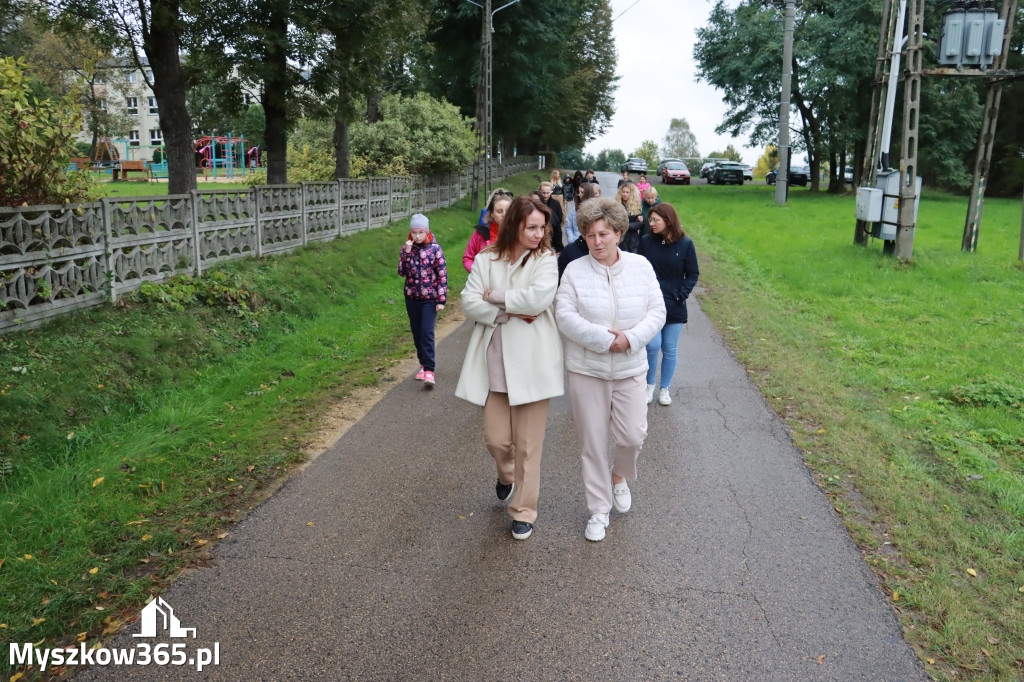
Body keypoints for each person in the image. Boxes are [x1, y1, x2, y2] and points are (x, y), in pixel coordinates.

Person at [555, 198, 666, 542]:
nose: (597, 242)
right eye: (590, 235)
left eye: (604, 234)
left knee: (633, 435)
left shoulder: (641, 266)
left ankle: (620, 475)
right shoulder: (574, 270)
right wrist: (605, 340)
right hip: (587, 370)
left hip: (631, 367)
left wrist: (630, 339)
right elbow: (564, 315)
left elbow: (657, 311)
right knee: (592, 443)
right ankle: (598, 510)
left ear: (619, 233)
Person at [456, 195, 564, 541]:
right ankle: (506, 476)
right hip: (495, 363)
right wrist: (502, 308)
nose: (537, 233)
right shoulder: (487, 258)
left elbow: (538, 299)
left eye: (541, 228)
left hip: (533, 364)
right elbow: (468, 301)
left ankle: (523, 511)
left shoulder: (546, 258)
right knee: (496, 439)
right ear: (514, 224)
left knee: (529, 445)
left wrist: (496, 296)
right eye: (530, 227)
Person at [639, 203, 699, 407]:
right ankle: (649, 386)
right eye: (650, 220)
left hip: (674, 305)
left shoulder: (685, 244)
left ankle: (664, 389)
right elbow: (637, 270)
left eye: (655, 220)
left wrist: (681, 295)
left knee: (670, 348)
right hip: (651, 305)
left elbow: (692, 274)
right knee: (652, 345)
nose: (651, 223)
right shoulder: (646, 242)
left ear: (668, 221)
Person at [398, 213, 448, 388]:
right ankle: (422, 363)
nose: (417, 236)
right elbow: (402, 272)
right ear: (410, 233)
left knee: (427, 332)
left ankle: (429, 370)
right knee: (417, 333)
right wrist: (407, 253)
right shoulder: (407, 249)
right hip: (412, 297)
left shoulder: (435, 249)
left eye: (421, 232)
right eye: (414, 233)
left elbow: (442, 275)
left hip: (429, 299)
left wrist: (441, 299)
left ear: (427, 232)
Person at [464, 188, 512, 272]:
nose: (504, 215)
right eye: (499, 211)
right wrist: (478, 273)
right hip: (483, 283)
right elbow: (467, 258)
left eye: (508, 211)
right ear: (492, 213)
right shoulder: (480, 233)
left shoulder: (519, 234)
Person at [559, 181, 600, 279]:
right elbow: (568, 226)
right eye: (578, 192)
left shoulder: (596, 209)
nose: (579, 195)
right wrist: (571, 239)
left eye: (582, 192)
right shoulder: (575, 209)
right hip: (575, 242)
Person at [616, 182, 644, 253]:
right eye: (623, 192)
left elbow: (641, 223)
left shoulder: (637, 206)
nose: (625, 194)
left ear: (631, 194)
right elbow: (616, 222)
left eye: (627, 192)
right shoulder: (616, 205)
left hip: (633, 239)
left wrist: (627, 226)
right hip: (621, 238)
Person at [538, 181, 565, 253]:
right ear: (539, 192)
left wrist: (559, 247)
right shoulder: (536, 203)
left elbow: (558, 225)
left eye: (548, 193)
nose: (545, 195)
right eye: (543, 193)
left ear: (551, 192)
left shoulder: (556, 204)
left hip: (551, 241)